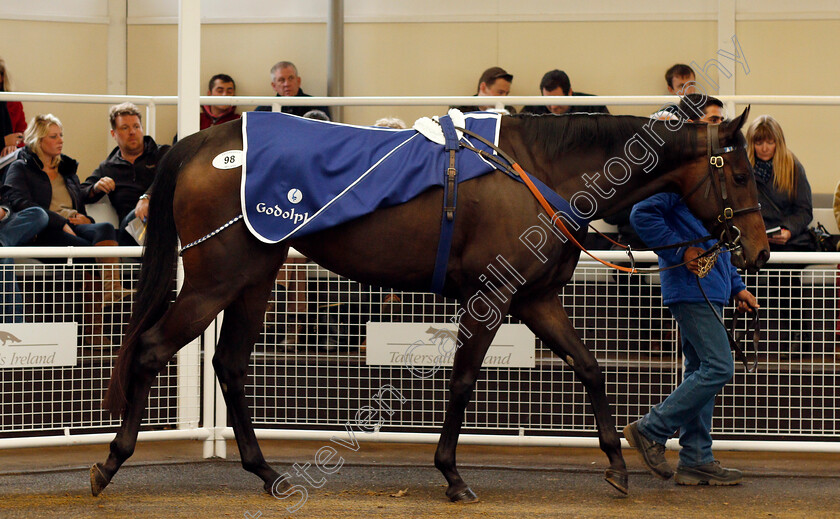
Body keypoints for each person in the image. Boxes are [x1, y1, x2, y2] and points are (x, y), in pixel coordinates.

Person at [624, 192, 758, 486]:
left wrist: (737, 287)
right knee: (719, 367)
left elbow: (718, 246)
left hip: (704, 290)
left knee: (701, 370)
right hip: (694, 289)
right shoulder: (677, 186)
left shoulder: (699, 188)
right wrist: (682, 252)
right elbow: (640, 214)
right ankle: (650, 429)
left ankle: (696, 458)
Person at [2, 114, 131, 301]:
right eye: (53, 137)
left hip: (74, 222)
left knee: (105, 228)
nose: (60, 140)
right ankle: (102, 302)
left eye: (61, 135)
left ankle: (113, 291)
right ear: (38, 140)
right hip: (46, 228)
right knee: (88, 250)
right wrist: (60, 221)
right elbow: (19, 202)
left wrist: (91, 200)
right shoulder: (21, 167)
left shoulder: (67, 169)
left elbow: (78, 195)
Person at [746, 115, 813, 354]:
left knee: (783, 278)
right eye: (758, 142)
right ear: (751, 143)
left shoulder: (792, 166)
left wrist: (787, 230)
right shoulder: (742, 169)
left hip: (789, 242)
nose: (764, 148)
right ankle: (791, 335)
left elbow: (805, 211)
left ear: (778, 142)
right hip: (755, 239)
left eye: (770, 142)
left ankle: (795, 335)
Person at [81, 103, 170, 245]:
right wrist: (96, 187)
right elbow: (81, 192)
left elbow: (172, 174)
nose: (132, 132)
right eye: (125, 128)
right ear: (113, 134)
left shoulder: (162, 153)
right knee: (132, 218)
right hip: (130, 231)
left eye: (136, 126)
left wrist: (147, 197)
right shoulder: (108, 167)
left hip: (165, 220)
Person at [0, 202, 49, 323]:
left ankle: (2, 243)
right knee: (5, 256)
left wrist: (4, 212)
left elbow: (10, 201)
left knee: (39, 214)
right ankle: (14, 326)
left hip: (5, 227)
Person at [255, 61, 331, 119]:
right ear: (274, 85)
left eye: (291, 78)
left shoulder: (317, 106)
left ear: (298, 81)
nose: (287, 84)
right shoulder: (263, 111)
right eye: (281, 80)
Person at [521, 69, 609, 115]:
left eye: (558, 100)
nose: (553, 106)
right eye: (547, 101)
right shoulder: (531, 111)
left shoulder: (594, 107)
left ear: (570, 92)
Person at [453, 67, 517, 114]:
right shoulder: (460, 110)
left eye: (507, 93)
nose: (504, 97)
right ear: (483, 87)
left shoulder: (509, 111)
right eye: (500, 92)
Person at [0, 58, 26, 157]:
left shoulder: (14, 102)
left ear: (2, 77)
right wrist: (4, 142)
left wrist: (13, 145)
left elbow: (22, 134)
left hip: (11, 156)